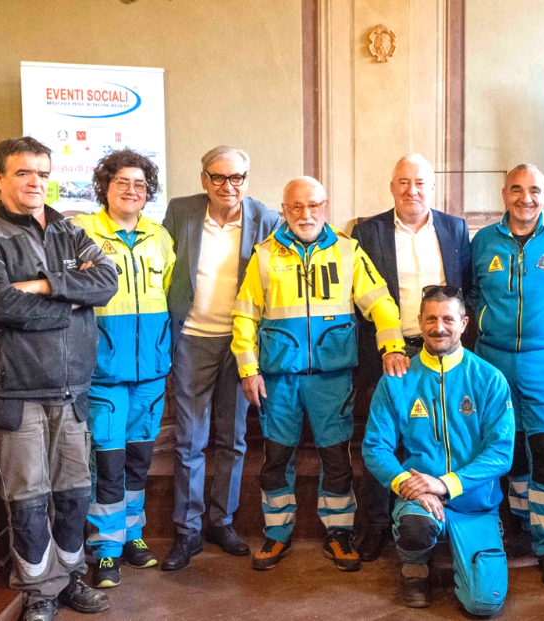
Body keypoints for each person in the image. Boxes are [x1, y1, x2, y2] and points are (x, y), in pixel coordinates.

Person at [0, 137, 118, 621]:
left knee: (73, 494)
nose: (35, 183)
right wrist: (71, 304)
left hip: (73, 390)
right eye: (24, 173)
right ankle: (39, 591)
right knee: (27, 499)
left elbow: (107, 282)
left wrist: (46, 286)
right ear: (0, 178)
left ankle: (69, 578)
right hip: (14, 391)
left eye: (43, 174)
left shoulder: (70, 230)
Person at [231, 176, 407, 572]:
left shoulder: (348, 252)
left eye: (313, 205)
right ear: (284, 210)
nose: (305, 214)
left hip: (332, 377)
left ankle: (339, 533)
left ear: (326, 207)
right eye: (296, 207)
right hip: (278, 378)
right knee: (276, 458)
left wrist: (391, 345)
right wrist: (248, 370)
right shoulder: (264, 255)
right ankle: (276, 534)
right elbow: (244, 316)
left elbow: (379, 303)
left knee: (337, 460)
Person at [470, 164, 544, 585]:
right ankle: (519, 522)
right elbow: (472, 294)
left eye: (535, 190)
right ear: (504, 193)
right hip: (493, 360)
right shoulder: (483, 241)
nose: (527, 198)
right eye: (517, 189)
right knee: (507, 450)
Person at [161, 146, 281, 571]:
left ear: (247, 179)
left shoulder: (266, 219)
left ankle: (221, 521)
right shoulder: (181, 212)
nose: (228, 186)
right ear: (204, 179)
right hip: (192, 339)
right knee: (189, 440)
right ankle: (187, 530)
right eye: (219, 178)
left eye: (237, 178)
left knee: (232, 439)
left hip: (240, 345)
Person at [362, 286, 514, 614]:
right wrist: (406, 483)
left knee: (484, 604)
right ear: (419, 322)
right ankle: (415, 570)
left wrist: (444, 484)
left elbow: (501, 453)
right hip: (419, 499)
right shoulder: (397, 379)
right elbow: (375, 447)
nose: (438, 327)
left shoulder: (489, 379)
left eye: (448, 318)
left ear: (464, 323)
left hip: (475, 503)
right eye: (430, 318)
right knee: (416, 527)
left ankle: (477, 559)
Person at [350, 153, 472, 561]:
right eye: (403, 182)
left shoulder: (455, 229)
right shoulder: (368, 232)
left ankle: (439, 515)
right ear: (391, 186)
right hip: (390, 351)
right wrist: (389, 348)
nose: (411, 190)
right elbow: (360, 299)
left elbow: (464, 291)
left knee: (439, 435)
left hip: (443, 350)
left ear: (432, 187)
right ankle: (376, 525)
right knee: (380, 437)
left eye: (420, 182)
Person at [72, 150, 176, 588]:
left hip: (151, 373)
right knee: (108, 463)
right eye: (123, 182)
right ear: (105, 187)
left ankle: (132, 535)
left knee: (138, 461)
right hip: (104, 373)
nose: (132, 190)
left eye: (140, 184)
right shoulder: (82, 233)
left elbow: (169, 291)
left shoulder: (160, 236)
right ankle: (106, 548)